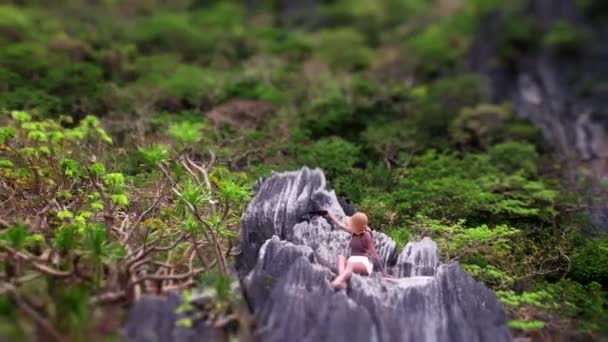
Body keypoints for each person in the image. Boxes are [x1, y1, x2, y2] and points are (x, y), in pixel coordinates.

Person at [325, 211, 383, 289]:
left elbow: (374, 254)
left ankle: (338, 281)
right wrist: (330, 214)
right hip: (352, 260)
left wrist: (383, 272)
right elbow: (340, 225)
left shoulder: (367, 235)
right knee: (341, 257)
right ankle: (342, 281)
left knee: (350, 264)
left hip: (363, 262)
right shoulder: (353, 232)